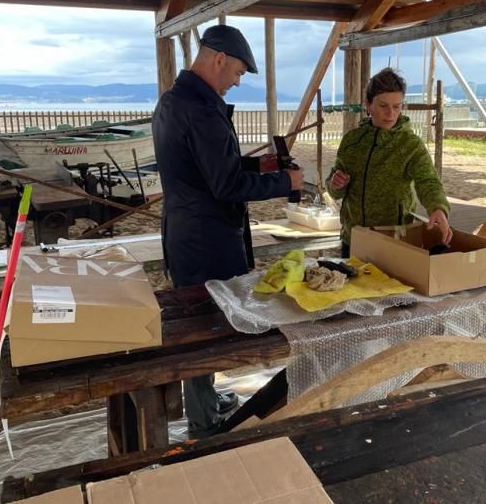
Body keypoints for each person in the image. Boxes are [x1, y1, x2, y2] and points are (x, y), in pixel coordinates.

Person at [152, 25, 304, 438]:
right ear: (218, 59)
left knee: (198, 322)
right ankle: (204, 424)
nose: (237, 82)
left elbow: (213, 167)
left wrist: (263, 166)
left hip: (184, 231)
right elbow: (227, 185)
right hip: (207, 239)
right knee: (207, 331)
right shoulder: (202, 109)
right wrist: (285, 184)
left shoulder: (173, 100)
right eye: (237, 72)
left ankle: (203, 398)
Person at [326, 67, 451, 257]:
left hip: (395, 241)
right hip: (353, 240)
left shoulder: (411, 145)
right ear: (368, 104)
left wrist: (438, 207)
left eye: (397, 106)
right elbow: (335, 190)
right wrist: (336, 184)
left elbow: (428, 180)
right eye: (383, 105)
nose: (390, 114)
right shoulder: (352, 141)